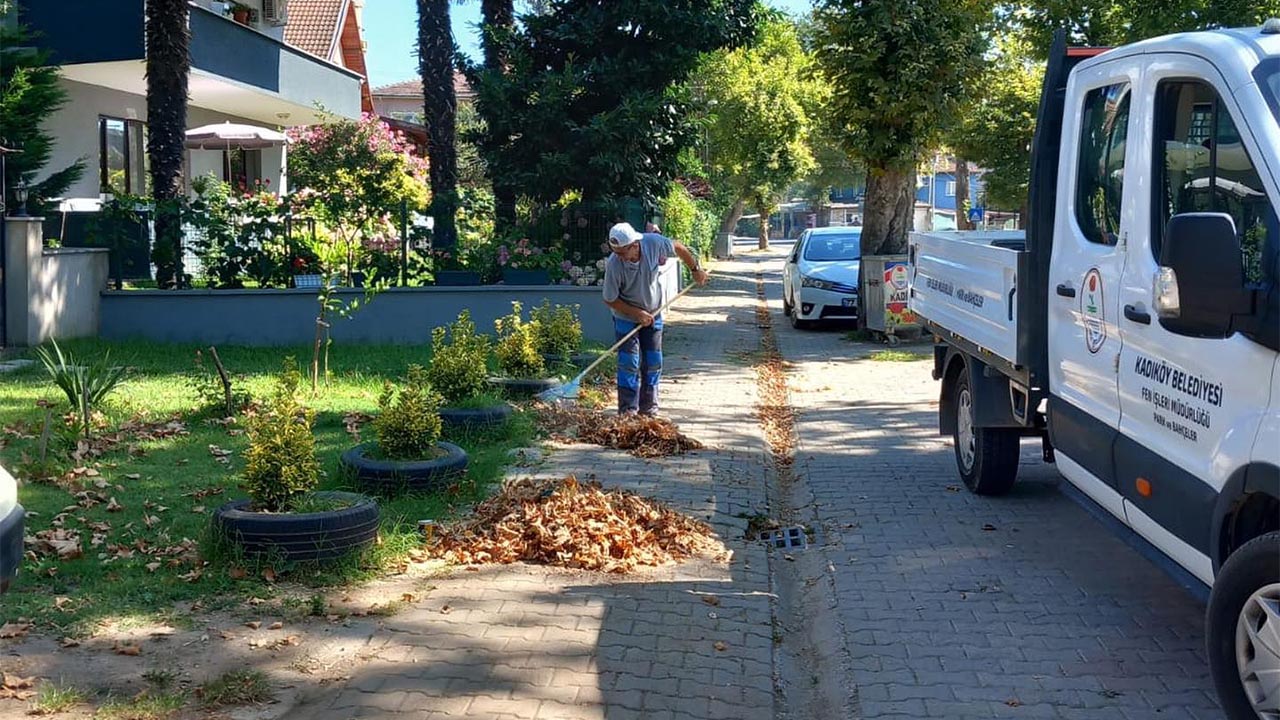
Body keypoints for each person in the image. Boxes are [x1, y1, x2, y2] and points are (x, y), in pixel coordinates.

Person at [601, 222, 709, 417]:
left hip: (653, 314)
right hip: (626, 318)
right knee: (629, 363)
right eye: (615, 252)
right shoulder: (614, 264)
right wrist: (636, 314)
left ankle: (649, 410)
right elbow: (610, 299)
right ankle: (627, 411)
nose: (619, 256)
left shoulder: (653, 243)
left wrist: (695, 269)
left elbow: (678, 247)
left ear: (634, 245)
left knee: (653, 361)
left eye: (622, 252)